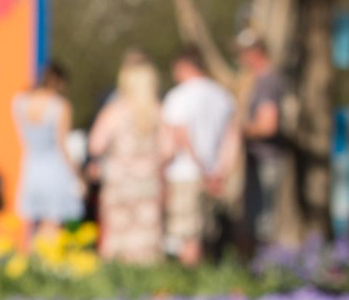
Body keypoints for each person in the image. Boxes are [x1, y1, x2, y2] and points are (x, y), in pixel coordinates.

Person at [161, 47, 238, 265]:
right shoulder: (223, 95)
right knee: (207, 233)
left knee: (187, 235)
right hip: (215, 175)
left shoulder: (178, 96)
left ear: (184, 67)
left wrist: (202, 168)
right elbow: (231, 137)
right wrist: (220, 170)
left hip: (186, 173)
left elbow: (180, 137)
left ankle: (190, 288)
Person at [87, 53, 165, 264]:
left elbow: (95, 145)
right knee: (146, 241)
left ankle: (113, 289)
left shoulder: (113, 111)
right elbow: (168, 150)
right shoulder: (156, 111)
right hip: (148, 183)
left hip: (118, 181)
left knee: (116, 237)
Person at [12, 63, 83, 242]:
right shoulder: (60, 106)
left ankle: (34, 262)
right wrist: (77, 174)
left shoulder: (19, 102)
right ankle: (48, 264)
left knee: (36, 223)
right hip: (54, 168)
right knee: (53, 222)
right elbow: (62, 145)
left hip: (31, 167)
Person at [238, 31, 285, 256]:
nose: (240, 58)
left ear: (255, 52)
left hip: (265, 161)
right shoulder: (257, 80)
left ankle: (264, 270)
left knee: (263, 223)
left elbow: (268, 125)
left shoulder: (267, 81)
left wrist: (238, 129)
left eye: (243, 53)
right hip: (258, 161)